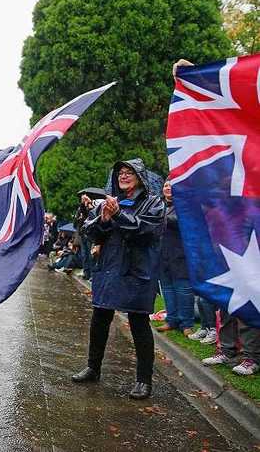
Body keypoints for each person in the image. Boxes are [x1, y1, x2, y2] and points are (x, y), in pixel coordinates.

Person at [72, 158, 165, 400]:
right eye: (120, 173)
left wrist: (119, 215)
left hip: (136, 271)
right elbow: (90, 231)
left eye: (129, 172)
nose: (123, 176)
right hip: (109, 269)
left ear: (140, 177)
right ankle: (93, 367)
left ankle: (144, 380)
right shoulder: (108, 202)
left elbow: (145, 232)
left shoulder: (153, 203)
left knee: (139, 323)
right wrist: (103, 218)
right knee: (100, 317)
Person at [156, 180, 195, 336]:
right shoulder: (159, 205)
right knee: (167, 288)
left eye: (172, 185)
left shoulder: (186, 205)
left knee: (183, 289)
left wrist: (161, 217)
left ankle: (187, 323)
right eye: (166, 185)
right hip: (162, 253)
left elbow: (181, 222)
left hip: (180, 253)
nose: (168, 188)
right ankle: (171, 320)